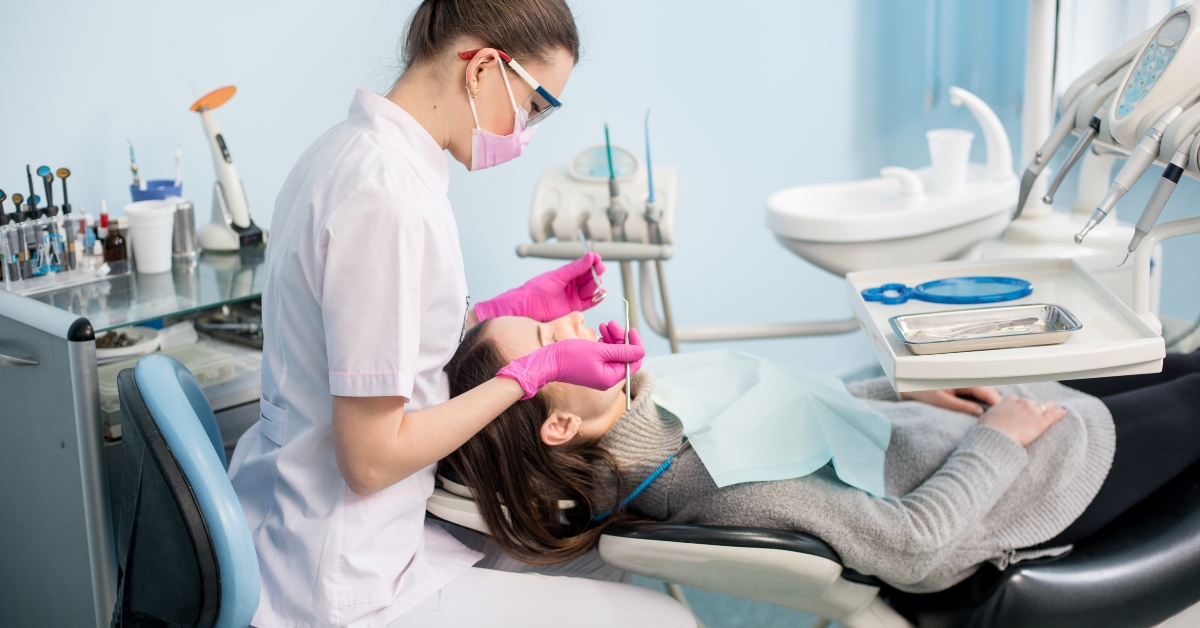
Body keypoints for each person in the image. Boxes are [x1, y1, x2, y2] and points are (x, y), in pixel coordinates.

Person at [226, 1, 695, 626]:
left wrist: (514, 310)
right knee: (664, 620)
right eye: (532, 107)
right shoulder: (387, 202)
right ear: (479, 70)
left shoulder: (345, 153)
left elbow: (386, 341)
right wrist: (531, 372)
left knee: (594, 562)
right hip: (348, 574)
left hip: (308, 524)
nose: (526, 133)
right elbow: (368, 461)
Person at [442, 312, 1200, 593]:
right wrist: (1000, 442)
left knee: (1170, 355)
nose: (572, 320)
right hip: (1035, 479)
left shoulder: (659, 402)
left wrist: (890, 393)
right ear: (559, 428)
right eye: (548, 341)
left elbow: (792, 414)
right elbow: (911, 547)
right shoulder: (713, 486)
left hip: (975, 425)